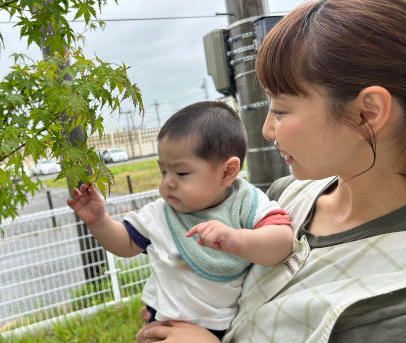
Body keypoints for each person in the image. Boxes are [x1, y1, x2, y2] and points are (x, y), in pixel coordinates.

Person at [136, 0, 406, 342]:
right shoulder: (282, 197)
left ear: (367, 113)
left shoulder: (394, 301)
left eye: (280, 110)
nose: (266, 130)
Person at [67, 101, 293, 339]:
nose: (168, 182)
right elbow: (125, 244)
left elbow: (283, 242)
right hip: (162, 321)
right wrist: (100, 222)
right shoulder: (160, 214)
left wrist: (238, 239)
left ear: (227, 172)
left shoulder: (246, 204)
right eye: (163, 171)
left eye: (182, 173)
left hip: (217, 328)